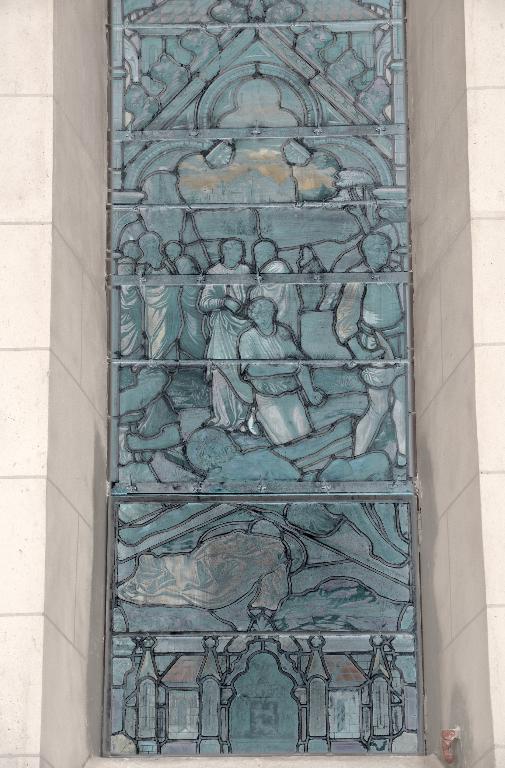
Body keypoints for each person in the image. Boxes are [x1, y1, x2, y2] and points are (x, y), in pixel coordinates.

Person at [321, 232, 406, 465]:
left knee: (403, 398)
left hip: (400, 343)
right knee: (378, 407)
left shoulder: (394, 272)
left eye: (385, 248)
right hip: (376, 346)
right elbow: (345, 319)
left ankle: (403, 455)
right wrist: (360, 352)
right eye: (377, 249)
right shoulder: (357, 277)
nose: (383, 253)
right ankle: (357, 457)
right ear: (366, 252)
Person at [239, 298, 323, 445]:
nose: (261, 318)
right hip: (268, 398)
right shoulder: (248, 338)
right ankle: (257, 414)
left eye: (264, 313)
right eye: (256, 315)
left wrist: (310, 393)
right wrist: (286, 368)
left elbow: (300, 363)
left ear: (272, 313)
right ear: (252, 316)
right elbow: (252, 370)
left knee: (305, 438)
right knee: (287, 442)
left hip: (291, 394)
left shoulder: (283, 332)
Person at [198, 238, 253, 430]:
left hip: (243, 326)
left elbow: (253, 295)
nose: (239, 254)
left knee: (242, 370)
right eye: (234, 250)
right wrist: (223, 302)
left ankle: (243, 417)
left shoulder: (245, 271)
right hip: (222, 328)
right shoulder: (214, 272)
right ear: (225, 252)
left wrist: (245, 308)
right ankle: (223, 417)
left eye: (240, 250)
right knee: (221, 368)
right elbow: (204, 303)